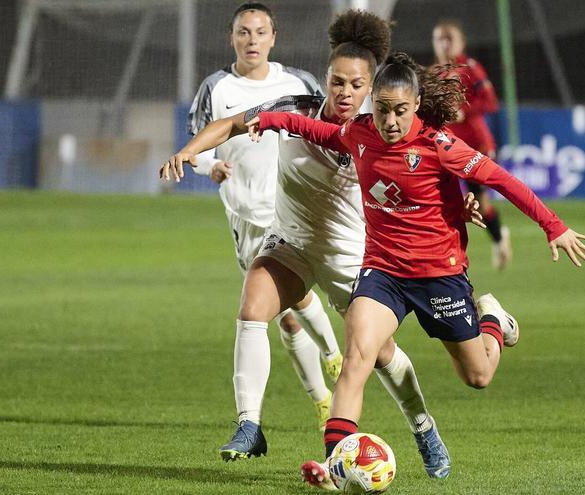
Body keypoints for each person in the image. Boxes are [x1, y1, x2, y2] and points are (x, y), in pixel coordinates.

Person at [239, 52, 585, 486]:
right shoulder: (360, 134)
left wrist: (553, 226)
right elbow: (320, 130)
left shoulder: (439, 146)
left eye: (400, 110)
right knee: (357, 358)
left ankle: (494, 321)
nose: (390, 120)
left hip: (439, 277)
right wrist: (274, 120)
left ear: (417, 104)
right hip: (383, 272)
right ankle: (337, 466)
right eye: (382, 108)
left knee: (477, 376)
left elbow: (503, 180)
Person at [165, 10, 483, 473]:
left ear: (372, 88)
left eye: (357, 86)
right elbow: (230, 124)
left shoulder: (381, 133)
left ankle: (423, 428)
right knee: (253, 305)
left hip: (354, 258)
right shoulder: (296, 107)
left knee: (381, 355)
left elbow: (428, 176)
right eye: (338, 81)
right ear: (326, 79)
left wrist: (461, 209)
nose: (346, 93)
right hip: (291, 244)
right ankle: (250, 425)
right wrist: (188, 152)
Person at [186, 2, 344, 458]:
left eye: (259, 32)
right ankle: (322, 395)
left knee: (283, 304)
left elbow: (327, 132)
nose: (251, 40)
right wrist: (208, 165)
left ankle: (329, 365)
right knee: (288, 312)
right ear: (232, 37)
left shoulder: (298, 84)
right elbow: (198, 141)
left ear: (273, 36)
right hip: (244, 215)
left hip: (291, 207)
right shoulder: (217, 87)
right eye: (242, 32)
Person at [433, 20, 513, 270]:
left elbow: (491, 102)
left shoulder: (471, 68)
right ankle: (440, 255)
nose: (445, 44)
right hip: (446, 148)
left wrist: (463, 111)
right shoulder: (435, 73)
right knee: (437, 201)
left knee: (479, 204)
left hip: (474, 147)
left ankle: (499, 239)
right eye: (440, 39)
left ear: (461, 42)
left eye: (450, 38)